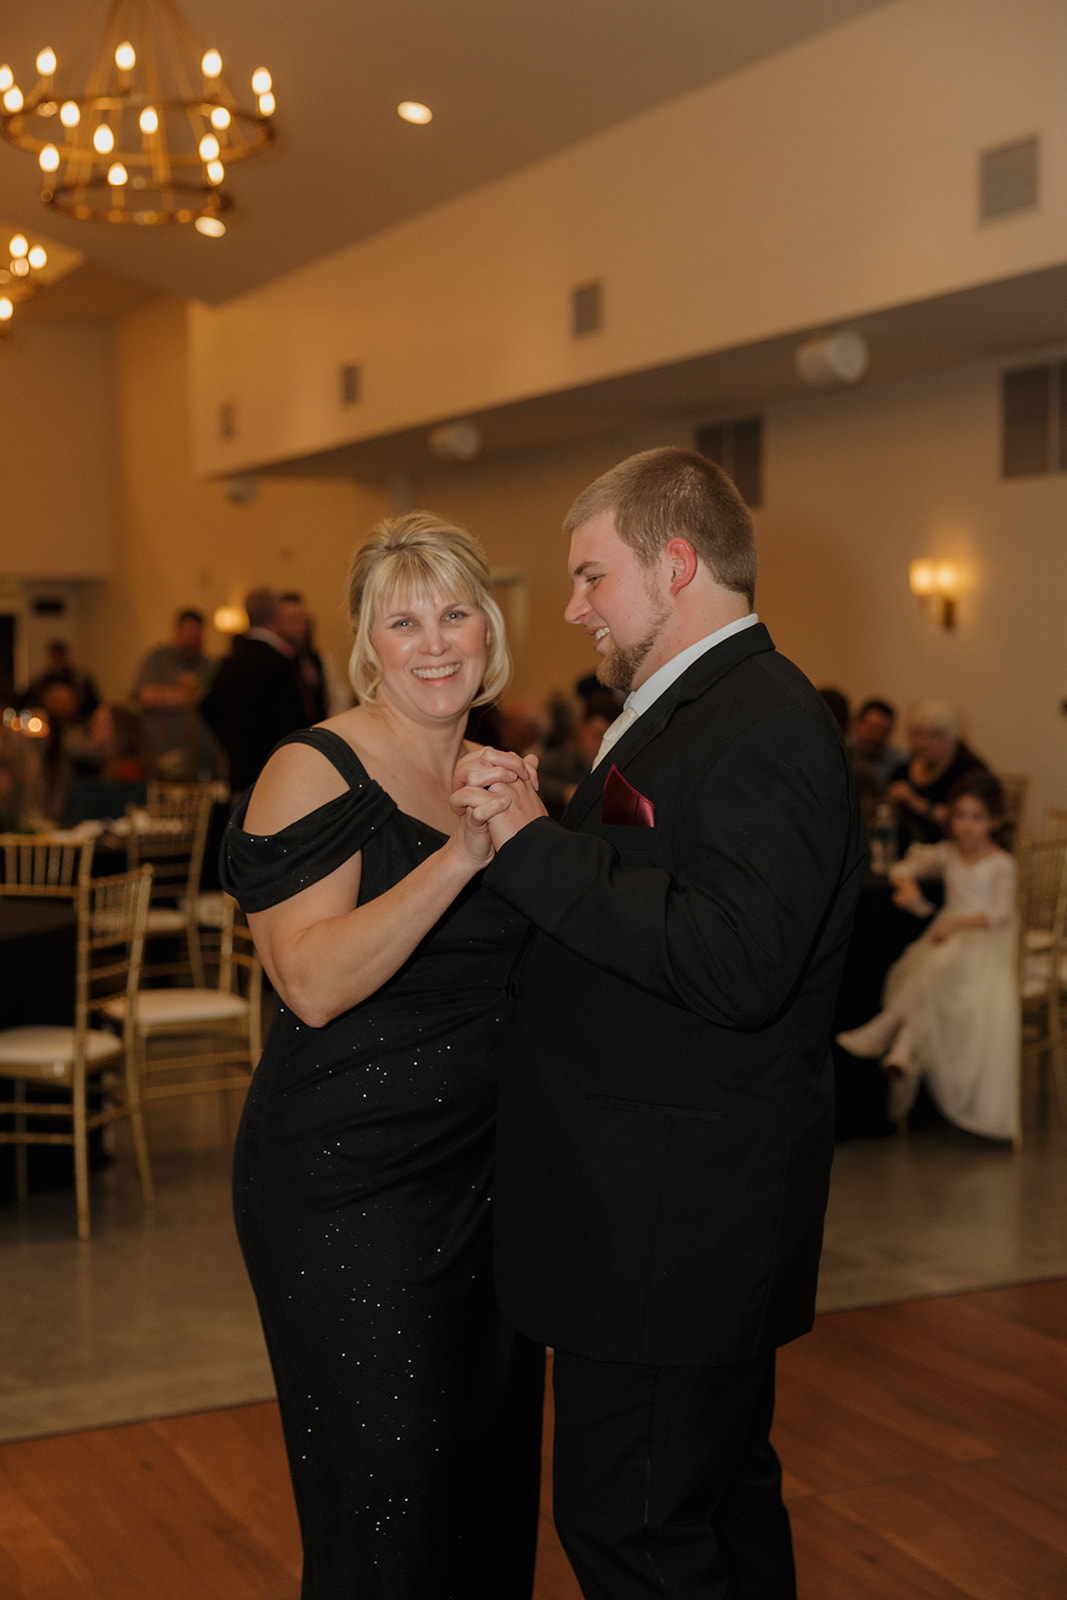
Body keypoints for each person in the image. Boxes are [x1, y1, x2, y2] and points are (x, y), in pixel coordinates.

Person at [454, 446, 867, 1600]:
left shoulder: (761, 719)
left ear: (673, 563)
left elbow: (735, 960)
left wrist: (535, 848)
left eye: (591, 578)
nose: (576, 609)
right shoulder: (693, 711)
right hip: (658, 1213)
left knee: (635, 1533)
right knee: (714, 1511)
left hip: (666, 1225)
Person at [218, 513, 543, 1600]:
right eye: (404, 620)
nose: (435, 639)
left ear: (490, 630)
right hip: (350, 1188)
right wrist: (463, 853)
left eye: (455, 612)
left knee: (487, 1488)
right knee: (387, 1497)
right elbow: (308, 980)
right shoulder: (312, 770)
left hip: (488, 1184)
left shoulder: (502, 768)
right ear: (366, 644)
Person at [836, 771, 1019, 1141]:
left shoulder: (1002, 863)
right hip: (947, 940)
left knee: (935, 964)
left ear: (995, 822)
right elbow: (903, 866)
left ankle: (890, 1033)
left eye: (977, 816)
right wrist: (909, 888)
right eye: (961, 816)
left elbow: (1001, 912)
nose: (967, 826)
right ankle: (899, 1047)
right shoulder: (948, 853)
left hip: (983, 939)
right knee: (929, 969)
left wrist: (955, 925)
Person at [200, 589, 313, 795]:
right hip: (275, 772)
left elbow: (207, 706)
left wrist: (233, 743)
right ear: (276, 617)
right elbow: (293, 722)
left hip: (239, 773)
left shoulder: (229, 661)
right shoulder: (279, 663)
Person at [886, 699, 986, 850]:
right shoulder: (900, 771)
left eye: (934, 735)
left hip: (951, 855)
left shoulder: (970, 773)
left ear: (953, 737)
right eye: (917, 734)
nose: (923, 742)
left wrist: (914, 801)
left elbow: (969, 821)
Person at [133, 609, 216, 779]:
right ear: (177, 631)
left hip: (202, 758)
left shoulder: (211, 665)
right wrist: (188, 695)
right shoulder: (157, 660)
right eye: (188, 632)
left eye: (197, 633)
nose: (192, 638)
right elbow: (146, 696)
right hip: (160, 754)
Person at [19, 639, 100, 721]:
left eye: (59, 655)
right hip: (47, 721)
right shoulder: (40, 681)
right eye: (54, 656)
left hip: (75, 721)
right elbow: (26, 702)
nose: (57, 659)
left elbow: (93, 705)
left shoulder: (80, 680)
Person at [849, 696, 904, 797]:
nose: (877, 736)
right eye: (872, 728)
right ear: (856, 725)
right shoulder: (842, 754)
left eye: (884, 730)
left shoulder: (899, 762)